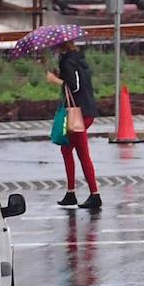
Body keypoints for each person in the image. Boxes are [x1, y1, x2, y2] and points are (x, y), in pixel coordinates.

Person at [48, 40, 101, 211]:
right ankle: (71, 193)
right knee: (66, 149)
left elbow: (74, 86)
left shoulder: (68, 61)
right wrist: (61, 75)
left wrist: (55, 80)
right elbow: (76, 81)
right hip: (87, 110)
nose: (53, 50)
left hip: (77, 114)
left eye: (54, 47)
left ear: (60, 47)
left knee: (82, 153)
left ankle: (95, 194)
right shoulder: (78, 59)